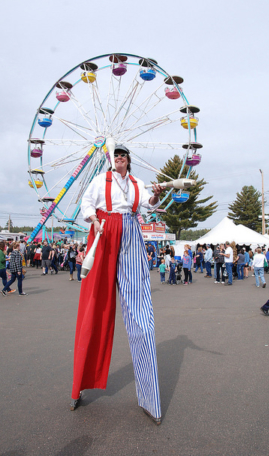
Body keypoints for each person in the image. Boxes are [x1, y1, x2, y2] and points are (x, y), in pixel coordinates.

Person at [71, 144, 164, 424]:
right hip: (103, 231)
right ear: (112, 160)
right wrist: (93, 221)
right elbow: (86, 204)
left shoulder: (138, 183)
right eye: (116, 155)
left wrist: (157, 197)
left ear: (129, 160)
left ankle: (150, 397)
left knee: (141, 313)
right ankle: (78, 387)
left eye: (123, 155)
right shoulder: (100, 180)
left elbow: (149, 204)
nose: (120, 158)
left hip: (131, 232)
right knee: (94, 308)